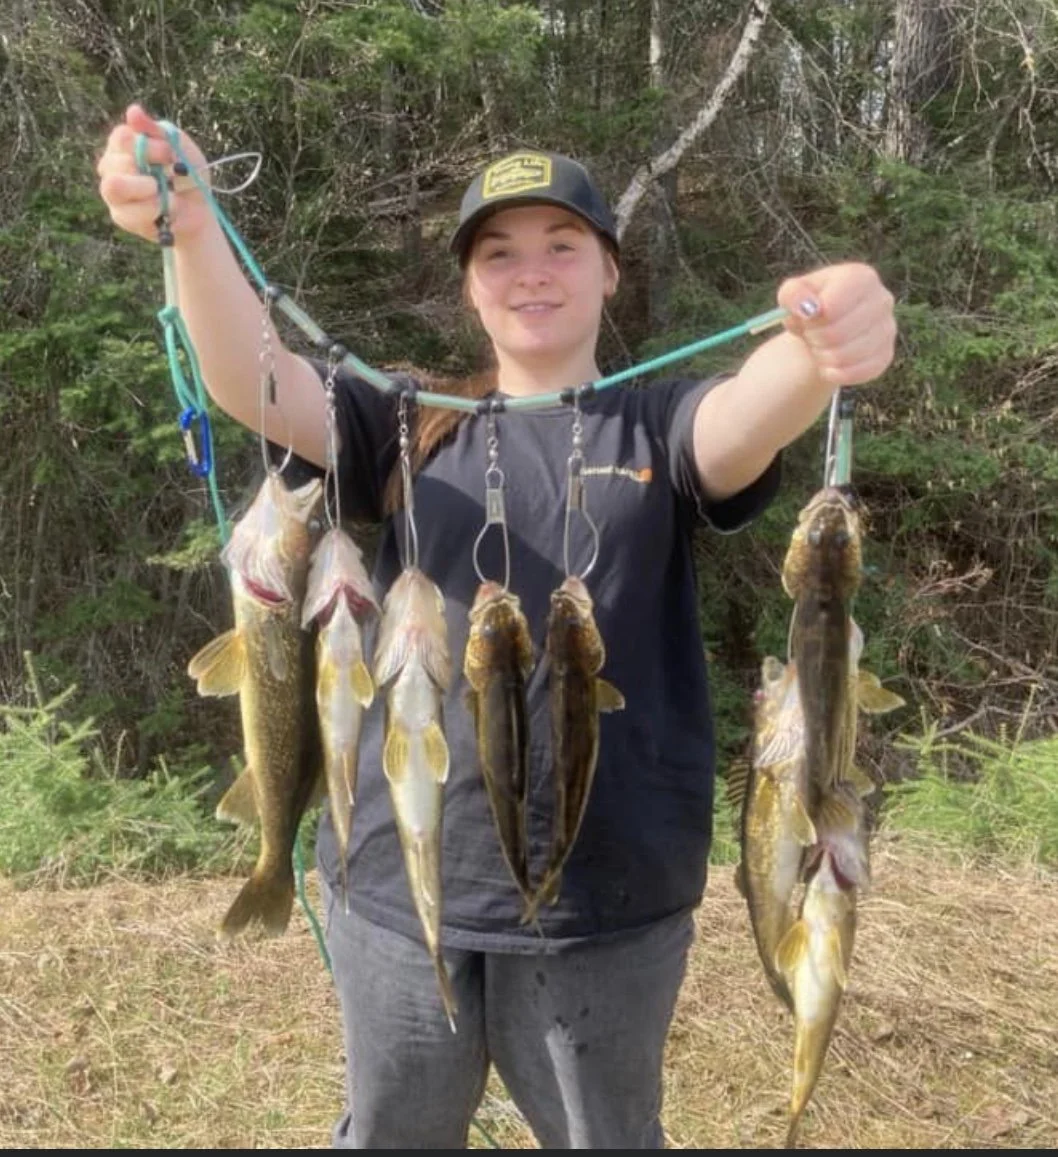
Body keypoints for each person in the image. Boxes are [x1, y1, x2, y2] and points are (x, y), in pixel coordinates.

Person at [97, 105, 896, 1149]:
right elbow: (259, 378)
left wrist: (824, 337)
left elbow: (753, 408)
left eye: (562, 244)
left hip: (608, 896)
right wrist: (194, 229)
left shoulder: (658, 426)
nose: (531, 272)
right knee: (391, 1130)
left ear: (609, 269)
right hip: (393, 874)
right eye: (499, 252)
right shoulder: (405, 418)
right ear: (469, 284)